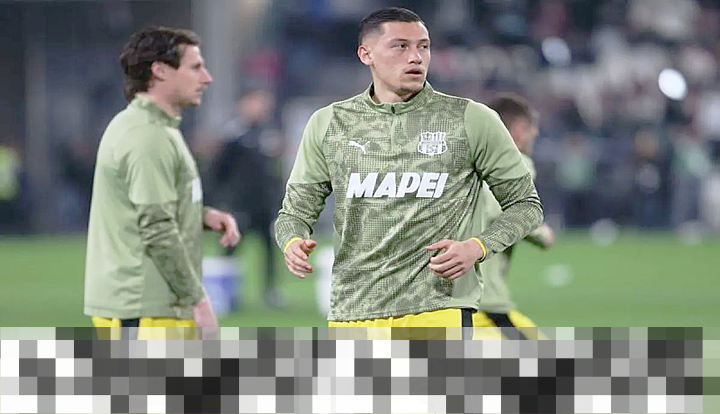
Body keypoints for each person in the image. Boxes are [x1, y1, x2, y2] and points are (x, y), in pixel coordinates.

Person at [274, 7, 544, 339]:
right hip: (352, 313)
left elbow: (526, 206)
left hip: (437, 310)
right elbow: (295, 211)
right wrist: (292, 241)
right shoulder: (329, 123)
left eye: (423, 46)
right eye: (400, 46)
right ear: (366, 54)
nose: (415, 57)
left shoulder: (471, 119)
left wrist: (477, 247)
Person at [83, 26, 240, 341]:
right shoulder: (147, 135)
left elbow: (150, 206)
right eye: (195, 67)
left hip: (152, 306)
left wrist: (201, 216)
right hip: (143, 309)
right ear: (160, 71)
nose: (206, 78)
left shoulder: (153, 127)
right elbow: (157, 227)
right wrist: (198, 299)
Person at [472, 93, 555, 340]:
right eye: (531, 128)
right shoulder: (515, 162)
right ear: (518, 131)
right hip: (484, 305)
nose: (535, 134)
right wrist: (540, 232)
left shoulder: (466, 161)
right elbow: (500, 207)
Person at [206, 87, 286, 309]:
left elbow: (273, 173)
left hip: (264, 205)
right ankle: (224, 293)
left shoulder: (268, 135)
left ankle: (270, 291)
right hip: (239, 206)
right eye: (256, 102)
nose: (261, 108)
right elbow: (217, 171)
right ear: (244, 105)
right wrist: (220, 202)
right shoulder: (233, 136)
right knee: (230, 248)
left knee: (270, 249)